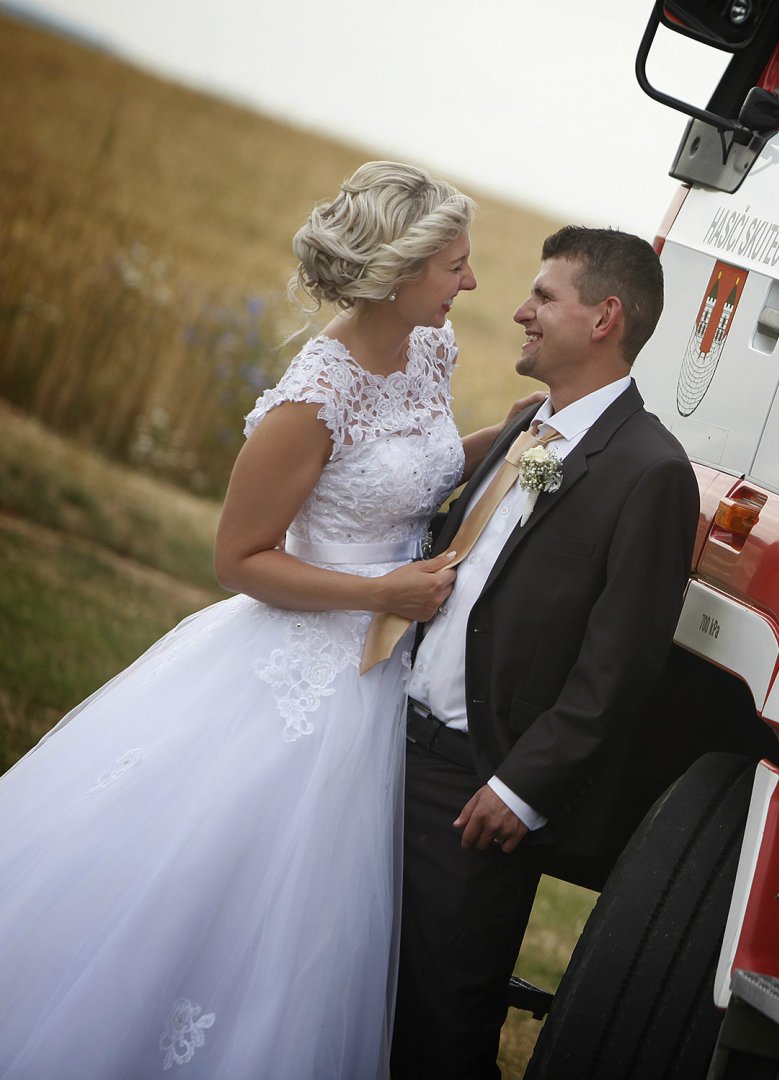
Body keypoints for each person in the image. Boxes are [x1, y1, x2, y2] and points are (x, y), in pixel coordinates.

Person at [0, 161, 524, 1078]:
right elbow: (240, 558)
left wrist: (514, 438)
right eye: (455, 266)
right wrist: (380, 594)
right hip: (305, 664)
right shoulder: (313, 393)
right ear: (399, 271)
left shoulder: (430, 347)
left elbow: (418, 468)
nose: (472, 283)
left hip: (389, 665)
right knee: (226, 882)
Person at [389, 227, 699, 1079]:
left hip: (476, 787)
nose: (521, 312)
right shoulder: (530, 423)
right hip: (392, 750)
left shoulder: (652, 471)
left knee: (442, 1028)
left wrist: (520, 788)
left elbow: (620, 664)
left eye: (544, 297)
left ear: (604, 318)